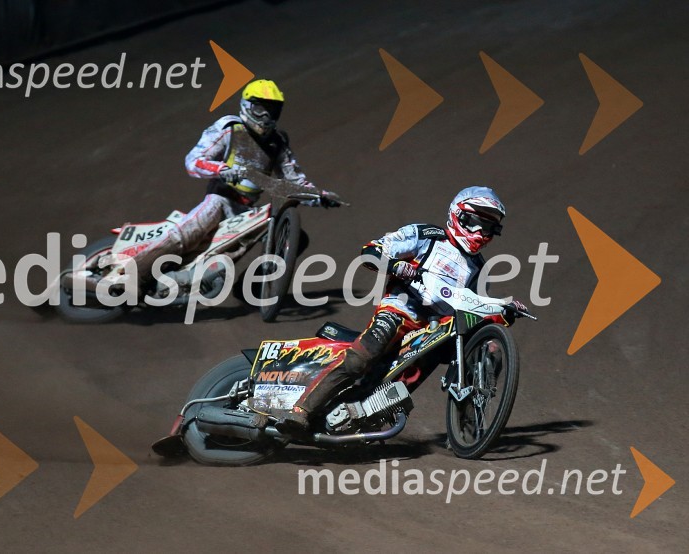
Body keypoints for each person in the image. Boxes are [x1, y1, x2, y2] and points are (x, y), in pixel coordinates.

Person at [276, 186, 528, 432]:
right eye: (476, 223)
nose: (482, 232)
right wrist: (395, 266)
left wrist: (504, 310)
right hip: (401, 311)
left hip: (440, 327)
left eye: (489, 228)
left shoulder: (479, 268)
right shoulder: (426, 235)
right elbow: (371, 251)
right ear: (458, 215)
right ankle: (302, 410)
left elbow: (475, 308)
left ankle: (470, 420)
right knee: (363, 357)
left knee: (489, 348)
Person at [127, 79, 321, 284]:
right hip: (220, 199)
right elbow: (193, 161)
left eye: (271, 110)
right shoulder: (230, 127)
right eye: (260, 109)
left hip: (245, 212)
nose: (266, 116)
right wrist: (221, 169)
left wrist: (319, 196)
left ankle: (252, 290)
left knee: (286, 239)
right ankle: (134, 275)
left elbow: (294, 179)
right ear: (247, 105)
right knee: (190, 233)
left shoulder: (278, 141)